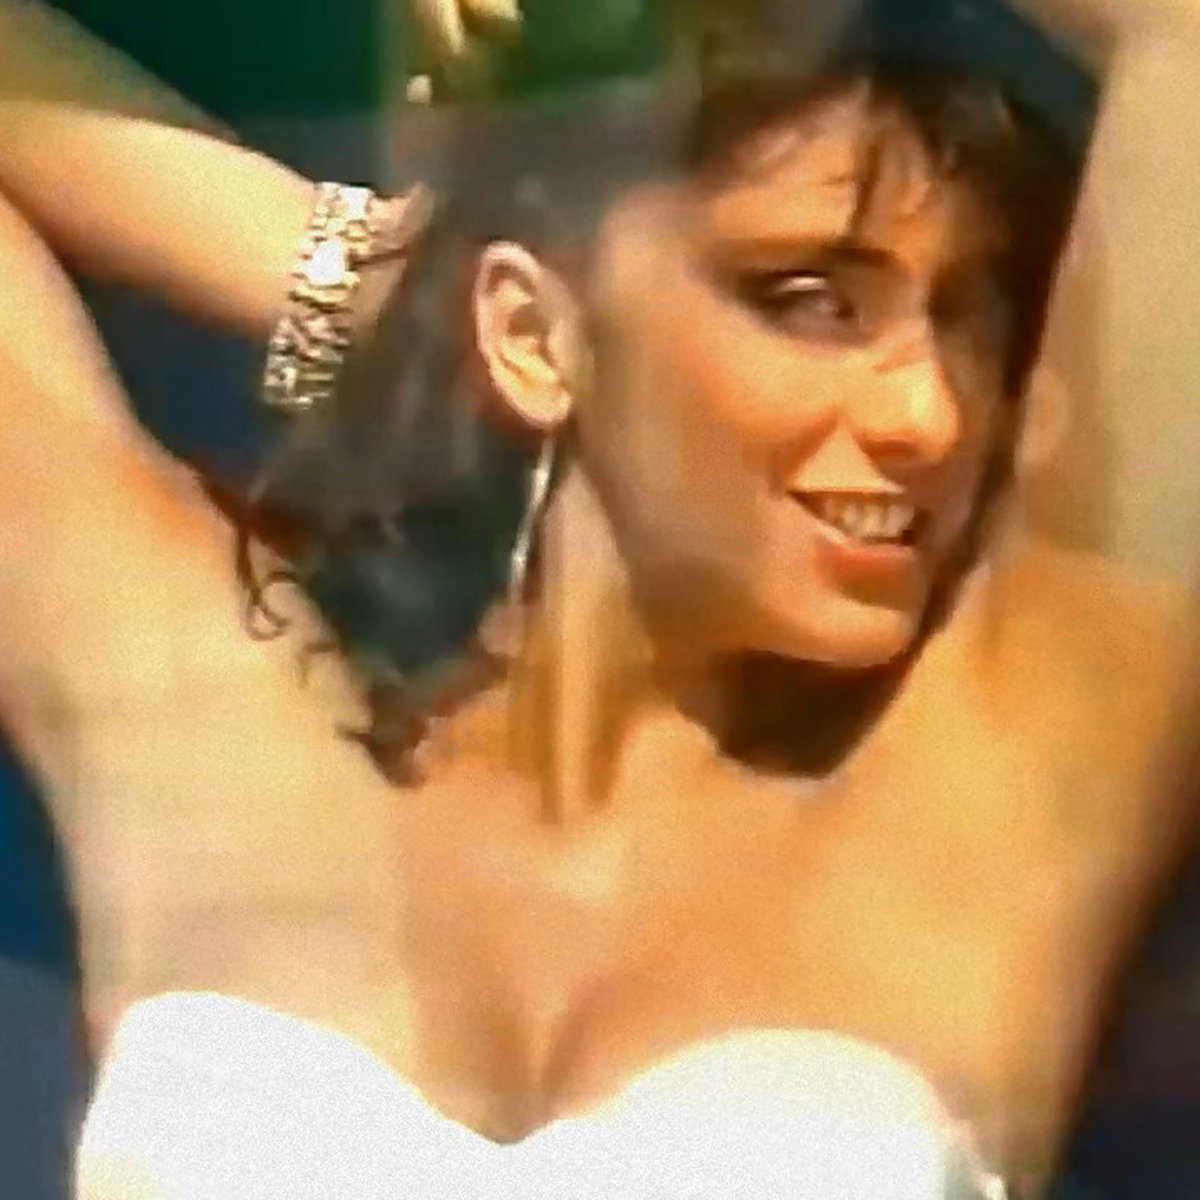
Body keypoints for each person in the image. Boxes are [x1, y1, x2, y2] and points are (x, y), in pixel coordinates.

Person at [0, 1, 1198, 1196]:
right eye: (811, 299)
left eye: (969, 316)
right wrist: (378, 288)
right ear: (531, 330)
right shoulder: (210, 725)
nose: (930, 417)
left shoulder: (1005, 774)